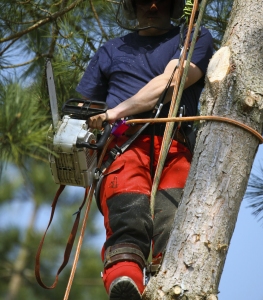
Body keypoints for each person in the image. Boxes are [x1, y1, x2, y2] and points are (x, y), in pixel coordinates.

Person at [76, 0, 213, 299]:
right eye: (144, 0)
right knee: (129, 212)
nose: (152, 5)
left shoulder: (190, 39)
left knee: (173, 221)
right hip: (123, 147)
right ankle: (125, 279)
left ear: (175, 5)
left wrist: (116, 112)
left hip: (172, 145)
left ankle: (175, 287)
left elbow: (172, 80)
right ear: (131, 5)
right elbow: (84, 112)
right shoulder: (110, 52)